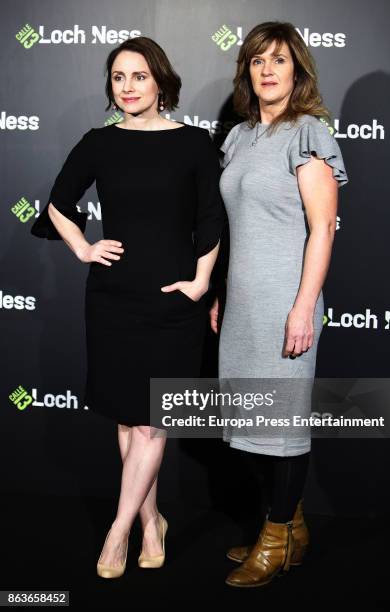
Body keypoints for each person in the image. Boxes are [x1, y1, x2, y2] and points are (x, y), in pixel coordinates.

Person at [31, 36, 224, 579]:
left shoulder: (193, 144)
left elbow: (211, 218)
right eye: (119, 77)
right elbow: (58, 203)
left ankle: (117, 533)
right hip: (113, 299)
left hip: (171, 303)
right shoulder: (98, 142)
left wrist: (202, 281)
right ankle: (150, 522)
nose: (128, 87)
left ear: (160, 80)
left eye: (139, 76)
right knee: (127, 419)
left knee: (151, 425)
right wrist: (84, 248)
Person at [210, 21, 348, 587]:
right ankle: (288, 527)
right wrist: (220, 295)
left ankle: (274, 538)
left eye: (280, 61)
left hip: (286, 303)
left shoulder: (309, 132)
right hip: (242, 304)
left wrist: (302, 307)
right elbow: (233, 226)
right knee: (250, 427)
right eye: (258, 60)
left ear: (298, 71)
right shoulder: (240, 137)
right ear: (247, 70)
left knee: (282, 427)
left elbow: (323, 230)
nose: (267, 70)